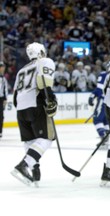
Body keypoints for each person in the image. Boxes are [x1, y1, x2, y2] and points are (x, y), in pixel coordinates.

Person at [11, 42, 58, 186]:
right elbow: (44, 84)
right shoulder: (45, 61)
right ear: (42, 52)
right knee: (46, 138)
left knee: (30, 141)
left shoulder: (20, 71)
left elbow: (14, 97)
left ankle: (34, 168)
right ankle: (24, 165)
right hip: (35, 105)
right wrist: (51, 100)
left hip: (20, 109)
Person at [88, 63, 110, 143]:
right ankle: (106, 138)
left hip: (103, 100)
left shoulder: (104, 74)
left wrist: (92, 96)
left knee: (97, 119)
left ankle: (103, 136)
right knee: (106, 121)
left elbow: (99, 89)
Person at [0, 61, 9, 138]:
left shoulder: (3, 79)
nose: (2, 69)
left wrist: (5, 100)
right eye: (1, 67)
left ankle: (0, 131)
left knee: (1, 116)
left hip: (1, 99)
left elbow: (5, 90)